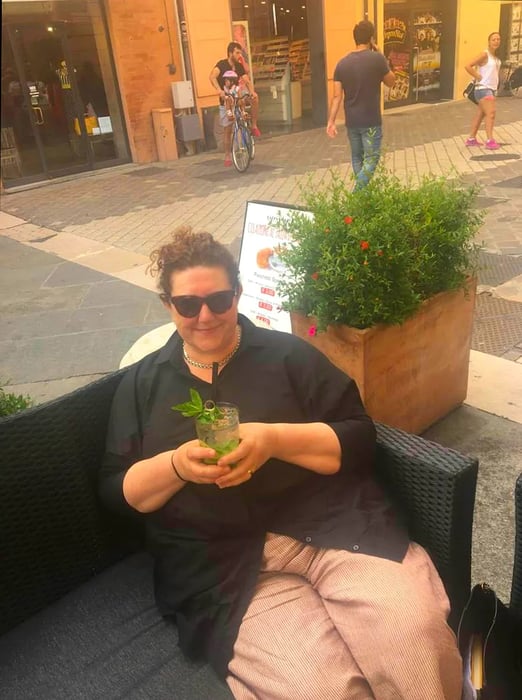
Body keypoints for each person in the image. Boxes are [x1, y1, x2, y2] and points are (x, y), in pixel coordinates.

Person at [99, 227, 463, 700]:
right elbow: (116, 491)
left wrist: (273, 438)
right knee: (322, 690)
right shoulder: (141, 385)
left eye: (219, 300)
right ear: (168, 305)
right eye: (188, 305)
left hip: (334, 532)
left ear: (239, 294)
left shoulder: (288, 355)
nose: (205, 316)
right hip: (226, 567)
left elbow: (357, 437)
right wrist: (177, 466)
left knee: (414, 643)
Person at [326, 20, 396, 190]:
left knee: (357, 158)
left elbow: (337, 97)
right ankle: (358, 194)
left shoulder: (342, 64)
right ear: (371, 38)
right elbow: (391, 82)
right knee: (372, 159)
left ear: (355, 38)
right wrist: (382, 54)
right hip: (371, 120)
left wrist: (331, 121)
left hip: (352, 121)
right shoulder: (377, 59)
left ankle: (362, 200)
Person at [209, 42, 260, 168]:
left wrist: (252, 91)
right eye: (237, 52)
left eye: (240, 53)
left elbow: (246, 80)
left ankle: (253, 125)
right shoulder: (222, 65)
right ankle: (227, 155)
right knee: (228, 130)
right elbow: (212, 76)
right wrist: (219, 90)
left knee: (254, 98)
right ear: (230, 53)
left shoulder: (239, 66)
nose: (239, 55)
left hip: (237, 96)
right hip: (226, 100)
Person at [464, 32, 502, 150]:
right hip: (483, 89)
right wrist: (478, 76)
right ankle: (490, 140)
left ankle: (471, 139)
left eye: (498, 39)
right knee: (491, 113)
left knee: (481, 114)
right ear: (489, 42)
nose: (496, 41)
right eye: (493, 39)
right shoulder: (485, 54)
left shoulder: (495, 58)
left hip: (490, 88)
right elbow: (468, 65)